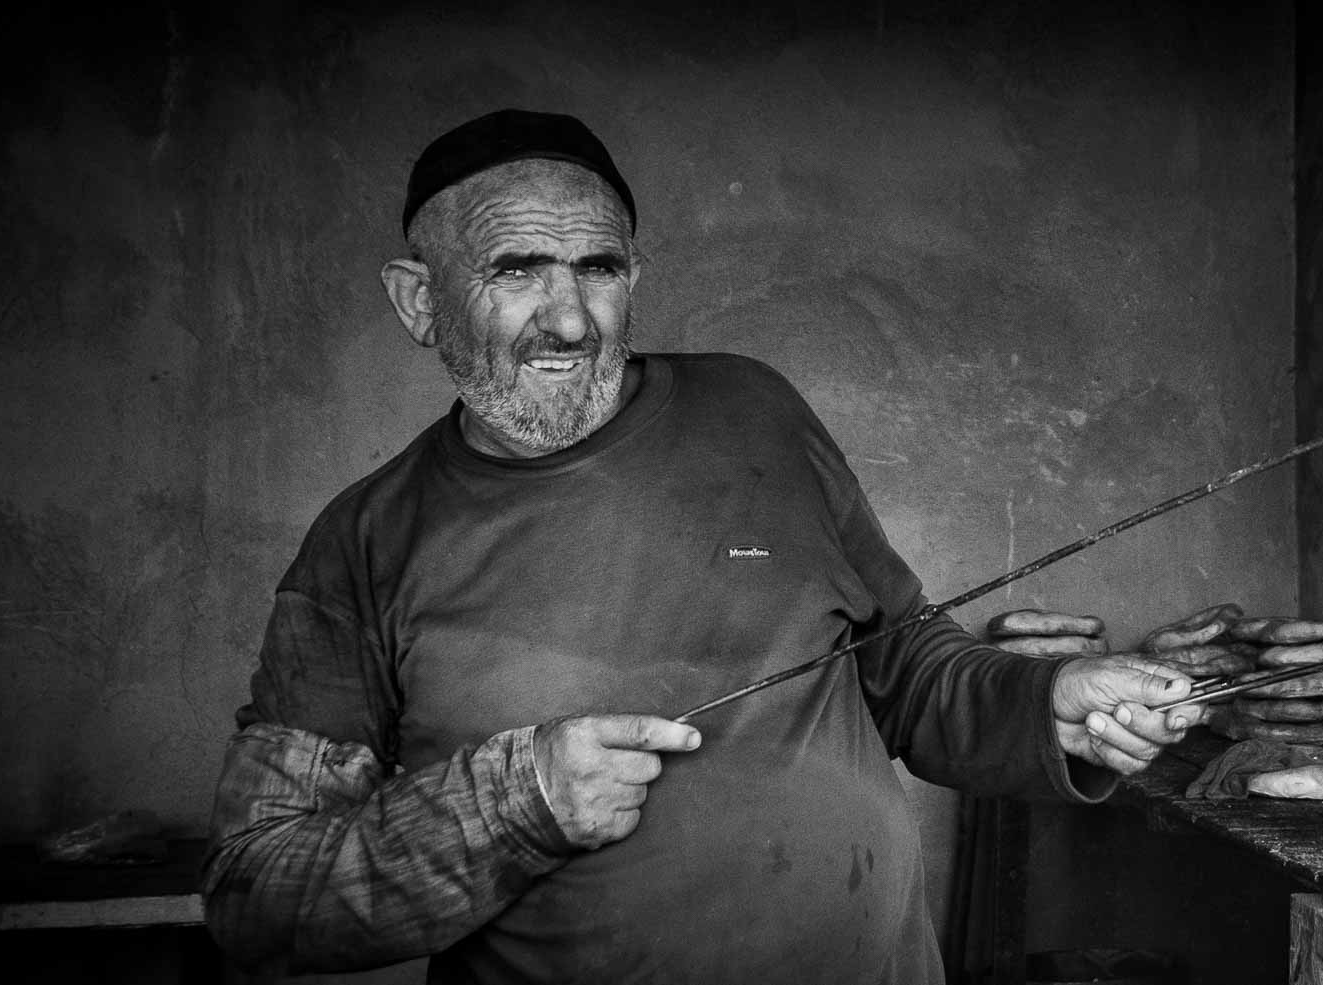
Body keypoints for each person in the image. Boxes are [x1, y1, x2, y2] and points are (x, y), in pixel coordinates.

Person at [200, 108, 1199, 984]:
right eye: (515, 271)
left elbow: (904, 666)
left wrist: (1045, 704)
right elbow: (261, 893)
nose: (568, 318)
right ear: (419, 300)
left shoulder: (753, 412)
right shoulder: (362, 545)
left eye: (598, 269)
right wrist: (513, 802)